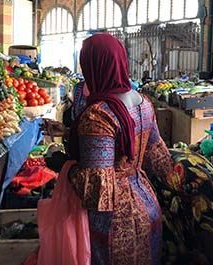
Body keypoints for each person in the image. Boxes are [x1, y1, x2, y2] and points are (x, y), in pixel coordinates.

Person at [65, 33, 176, 265]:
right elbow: (159, 158)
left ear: (93, 67)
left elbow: (98, 192)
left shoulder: (99, 116)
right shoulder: (144, 103)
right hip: (149, 207)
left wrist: (67, 168)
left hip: (114, 226)